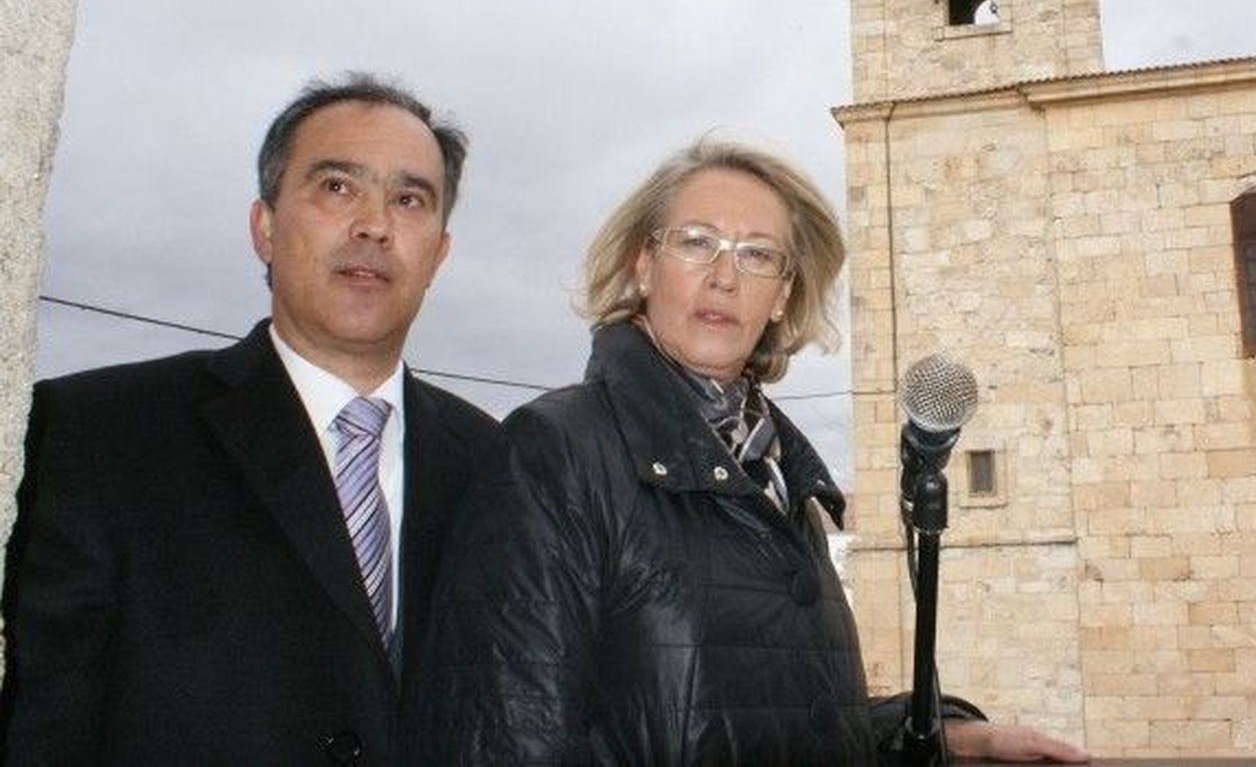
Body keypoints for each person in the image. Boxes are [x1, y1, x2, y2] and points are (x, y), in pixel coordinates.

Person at [404, 139, 1086, 764]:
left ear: (783, 294)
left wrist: (946, 735)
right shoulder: (557, 451)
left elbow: (769, 715)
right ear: (644, 265)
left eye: (758, 254)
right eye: (696, 242)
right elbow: (504, 735)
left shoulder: (782, 476)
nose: (725, 276)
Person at [1, 74, 499, 765]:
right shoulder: (95, 432)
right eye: (337, 187)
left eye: (410, 200)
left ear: (438, 252)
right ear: (265, 227)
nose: (375, 225)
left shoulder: (496, 466)